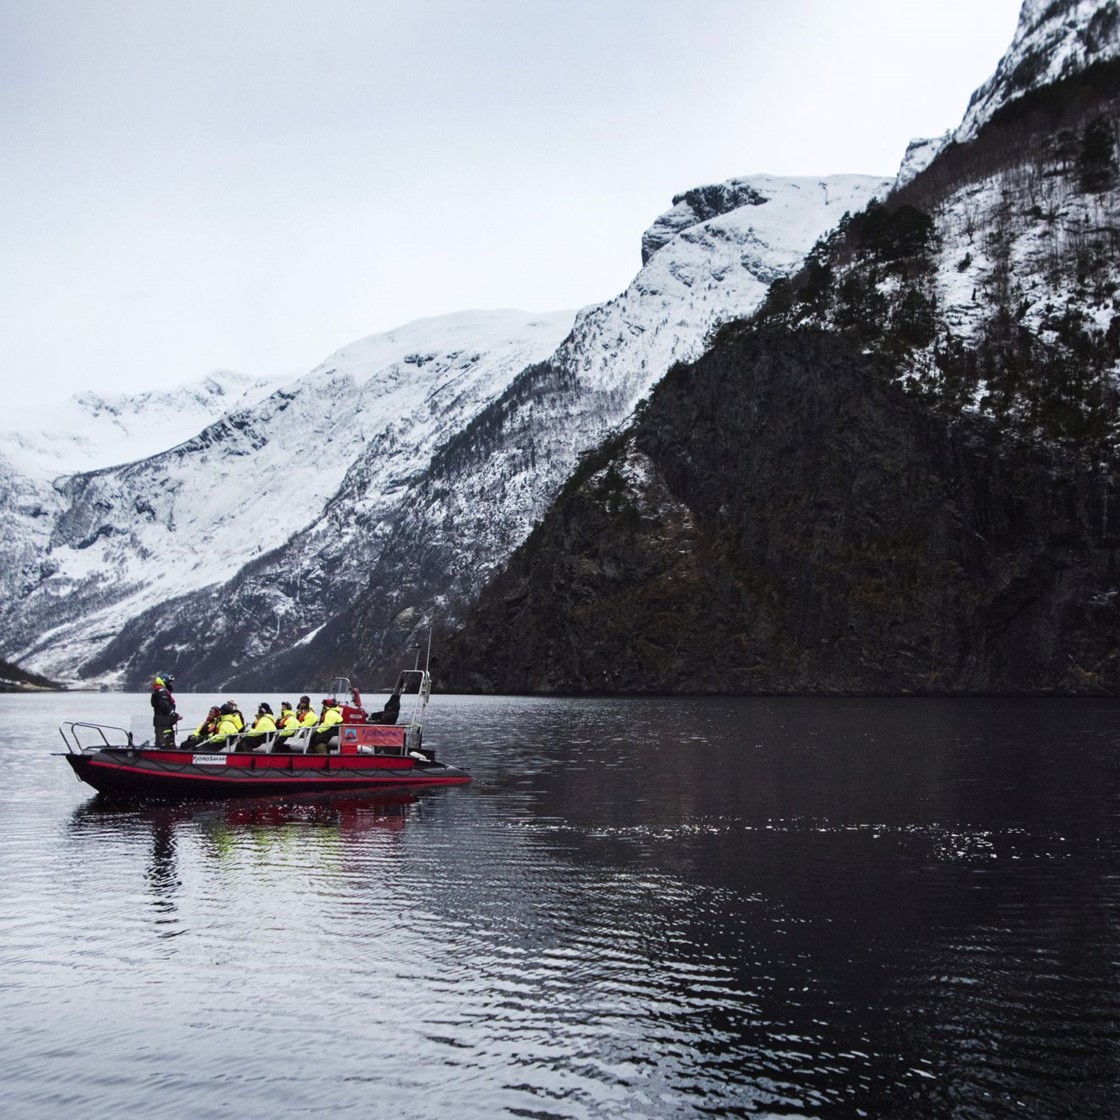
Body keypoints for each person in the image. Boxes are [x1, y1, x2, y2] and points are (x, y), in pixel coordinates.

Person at [151, 673, 181, 747]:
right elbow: (164, 705)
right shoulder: (162, 692)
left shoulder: (158, 691)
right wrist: (174, 714)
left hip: (162, 722)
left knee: (160, 742)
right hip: (164, 722)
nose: (171, 684)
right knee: (167, 743)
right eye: (170, 682)